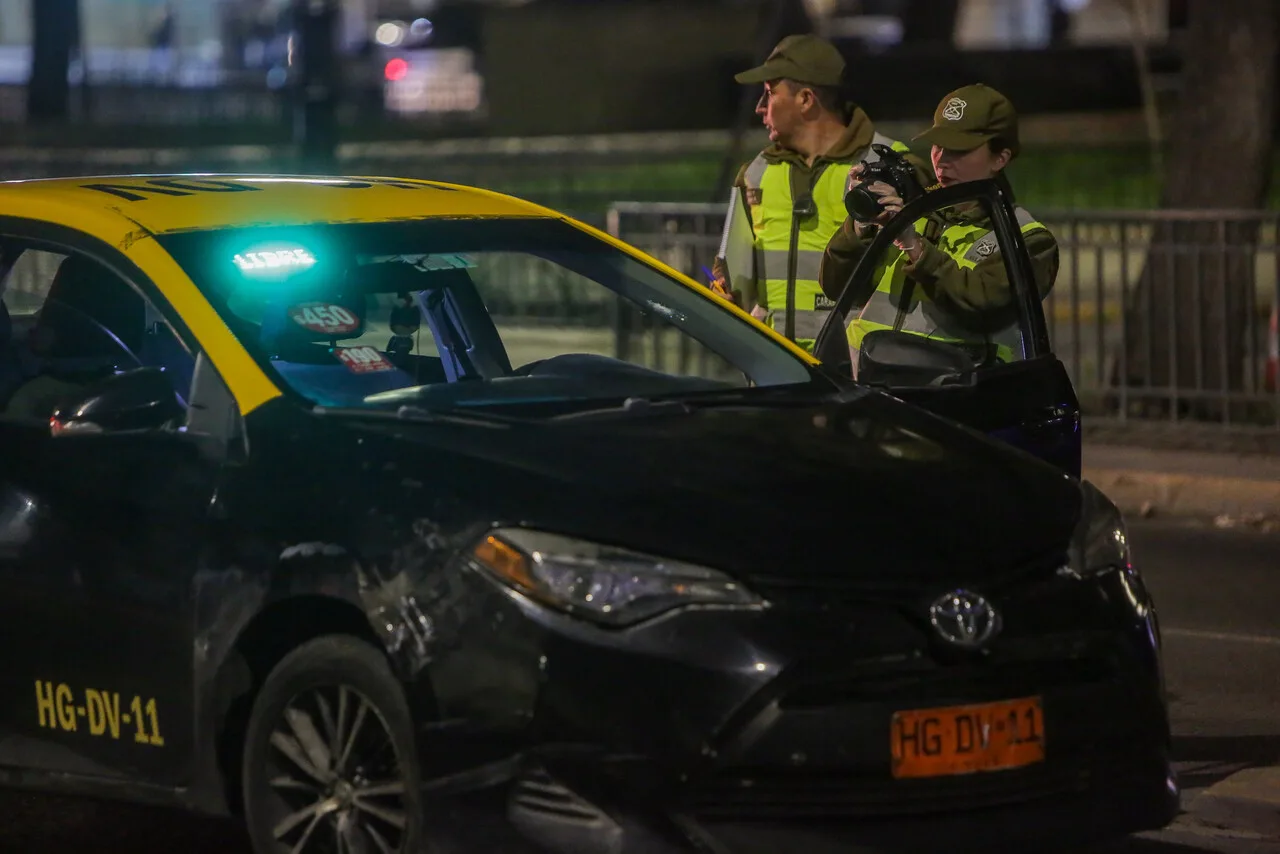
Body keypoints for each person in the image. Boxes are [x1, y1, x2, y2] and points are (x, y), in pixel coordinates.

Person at [710, 34, 931, 353]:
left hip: (855, 365)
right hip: (777, 362)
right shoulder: (755, 173)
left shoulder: (892, 168)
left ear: (805, 99)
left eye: (770, 93)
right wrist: (726, 293)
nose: (760, 108)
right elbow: (733, 273)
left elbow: (923, 270)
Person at [819, 82, 1059, 373]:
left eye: (959, 150)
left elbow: (983, 305)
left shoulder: (1028, 239)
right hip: (871, 387)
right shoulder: (914, 209)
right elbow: (836, 287)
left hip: (957, 395)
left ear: (1000, 158)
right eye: (938, 146)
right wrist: (861, 226)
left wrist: (916, 248)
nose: (942, 161)